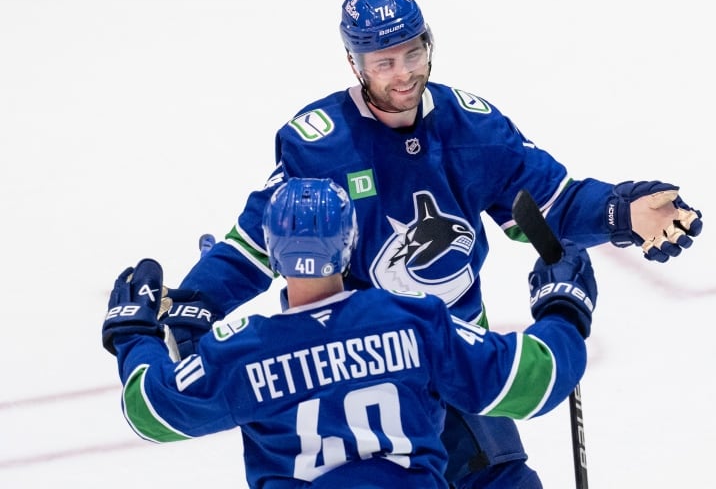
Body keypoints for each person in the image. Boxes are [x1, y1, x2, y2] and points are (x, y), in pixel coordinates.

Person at [161, 0, 703, 488]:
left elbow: (551, 203)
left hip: (453, 353)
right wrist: (193, 301)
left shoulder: (472, 128)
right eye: (384, 62)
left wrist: (621, 211)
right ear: (354, 63)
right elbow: (258, 242)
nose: (403, 73)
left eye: (413, 53)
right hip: (367, 365)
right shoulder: (321, 146)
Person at [102, 178, 598, 489]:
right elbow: (532, 380)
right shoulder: (412, 320)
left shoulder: (240, 354)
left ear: (271, 255)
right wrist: (563, 308)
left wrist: (134, 335)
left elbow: (150, 411)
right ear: (350, 243)